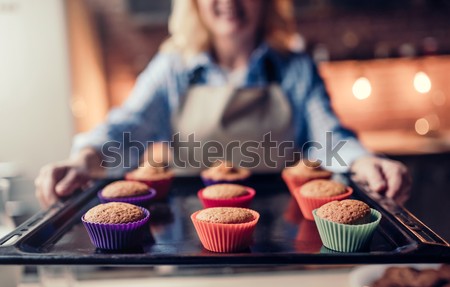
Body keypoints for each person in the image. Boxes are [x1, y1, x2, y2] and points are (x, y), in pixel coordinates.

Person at [35, 0, 410, 208]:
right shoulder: (173, 68)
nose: (228, 2)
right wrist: (84, 159)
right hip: (190, 237)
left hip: (283, 234)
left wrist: (362, 161)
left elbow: (326, 135)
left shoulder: (295, 66)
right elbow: (129, 128)